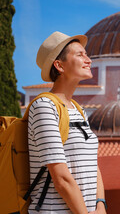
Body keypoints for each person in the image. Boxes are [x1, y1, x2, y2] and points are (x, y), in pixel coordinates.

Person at [27, 31, 107, 213]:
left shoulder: (78, 110)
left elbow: (92, 165)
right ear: (59, 65)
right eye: (80, 55)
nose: (89, 60)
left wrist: (100, 204)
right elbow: (61, 177)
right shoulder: (44, 106)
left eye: (86, 54)